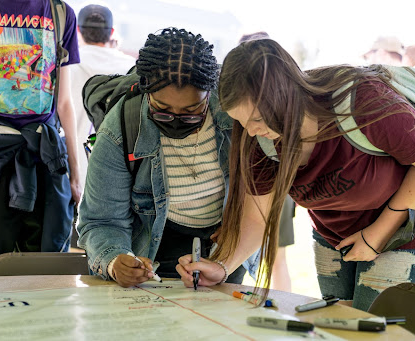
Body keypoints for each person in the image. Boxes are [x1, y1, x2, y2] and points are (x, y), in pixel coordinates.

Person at [177, 38, 415, 311]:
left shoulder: (363, 101)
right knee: (339, 325)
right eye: (242, 122)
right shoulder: (258, 138)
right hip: (334, 231)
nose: (251, 132)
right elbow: (256, 218)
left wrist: (376, 235)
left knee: (374, 329)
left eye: (258, 120)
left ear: (284, 95)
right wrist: (222, 266)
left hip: (406, 225)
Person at [76, 28, 250, 287]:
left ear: (210, 93)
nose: (177, 120)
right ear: (146, 91)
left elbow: (262, 191)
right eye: (163, 111)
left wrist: (239, 223)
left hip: (224, 249)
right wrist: (115, 261)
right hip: (149, 250)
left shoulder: (234, 114)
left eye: (192, 111)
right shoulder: (121, 128)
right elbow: (101, 219)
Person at [0, 0, 81, 276]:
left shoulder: (61, 13)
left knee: (49, 267)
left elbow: (64, 102)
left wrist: (75, 174)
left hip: (46, 151)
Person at [237, 31, 296, 292]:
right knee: (274, 259)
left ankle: (281, 314)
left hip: (281, 186)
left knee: (275, 258)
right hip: (263, 186)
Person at [70, 4, 136, 191]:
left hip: (73, 173)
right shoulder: (131, 68)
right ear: (112, 32)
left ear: (78, 31)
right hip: (119, 174)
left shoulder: (68, 65)